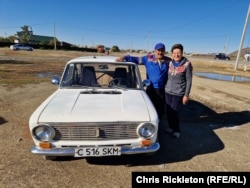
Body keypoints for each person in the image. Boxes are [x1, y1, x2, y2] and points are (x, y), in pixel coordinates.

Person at [116, 43, 171, 120]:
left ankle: (158, 123)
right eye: (158, 50)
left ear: (164, 51)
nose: (160, 52)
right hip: (151, 88)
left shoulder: (168, 60)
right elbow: (136, 59)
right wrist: (125, 57)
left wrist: (187, 66)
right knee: (150, 107)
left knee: (160, 107)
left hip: (163, 88)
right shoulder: (148, 58)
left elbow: (177, 65)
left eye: (162, 50)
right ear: (155, 51)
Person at [164, 43, 193, 138]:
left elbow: (189, 80)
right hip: (168, 91)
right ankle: (171, 127)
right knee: (169, 111)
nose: (176, 55)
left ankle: (176, 130)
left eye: (179, 53)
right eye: (174, 53)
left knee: (175, 111)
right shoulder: (170, 63)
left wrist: (186, 95)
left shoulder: (187, 64)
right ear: (172, 54)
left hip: (178, 92)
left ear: (182, 53)